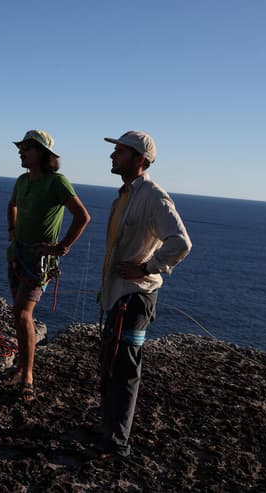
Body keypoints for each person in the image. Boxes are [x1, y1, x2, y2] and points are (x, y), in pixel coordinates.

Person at [98, 130, 191, 458]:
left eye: (120, 152)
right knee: (110, 365)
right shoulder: (126, 194)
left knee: (125, 370)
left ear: (140, 160)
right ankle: (109, 432)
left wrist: (147, 267)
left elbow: (181, 241)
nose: (113, 156)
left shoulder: (152, 195)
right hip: (118, 295)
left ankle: (116, 445)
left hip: (135, 297)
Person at [7, 130, 90, 401]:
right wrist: (12, 232)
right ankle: (22, 366)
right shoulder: (22, 180)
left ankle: (28, 375)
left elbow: (82, 216)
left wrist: (61, 247)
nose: (21, 151)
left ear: (43, 153)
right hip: (18, 255)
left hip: (38, 261)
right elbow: (12, 205)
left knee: (22, 313)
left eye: (28, 148)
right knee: (19, 315)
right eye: (21, 147)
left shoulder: (57, 182)